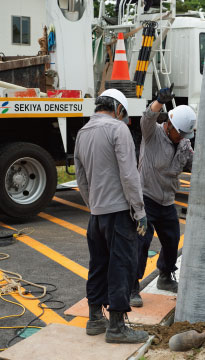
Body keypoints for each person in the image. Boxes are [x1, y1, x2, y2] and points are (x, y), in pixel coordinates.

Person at [74, 89, 149, 343]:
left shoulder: (83, 133)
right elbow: (130, 175)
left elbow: (81, 178)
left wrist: (93, 205)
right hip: (119, 213)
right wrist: (139, 212)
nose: (124, 119)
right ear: (118, 109)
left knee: (98, 265)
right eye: (124, 114)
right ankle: (116, 327)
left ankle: (95, 318)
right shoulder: (118, 130)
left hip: (97, 215)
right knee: (121, 266)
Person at [130, 84, 196, 307]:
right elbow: (147, 118)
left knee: (171, 241)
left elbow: (194, 164)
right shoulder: (153, 134)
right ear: (169, 125)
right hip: (146, 199)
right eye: (180, 132)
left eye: (185, 135)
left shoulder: (184, 143)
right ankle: (132, 286)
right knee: (141, 243)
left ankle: (165, 277)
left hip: (167, 200)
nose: (182, 137)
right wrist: (159, 101)